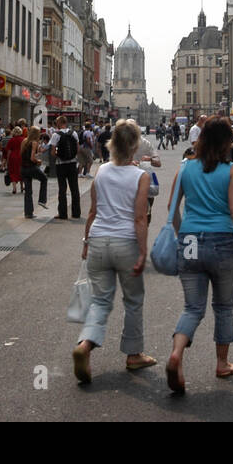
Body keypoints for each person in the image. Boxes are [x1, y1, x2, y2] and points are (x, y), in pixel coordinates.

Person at [165, 117, 233, 394]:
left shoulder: (185, 169)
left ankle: (177, 353)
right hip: (222, 240)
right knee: (223, 306)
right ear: (226, 143)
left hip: (190, 239)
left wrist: (183, 235)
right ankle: (222, 363)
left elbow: (172, 207)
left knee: (192, 307)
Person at [72, 121, 156, 383]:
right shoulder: (140, 175)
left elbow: (93, 212)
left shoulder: (101, 171)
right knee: (133, 300)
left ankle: (85, 345)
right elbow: (140, 218)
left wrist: (86, 243)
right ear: (134, 146)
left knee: (99, 300)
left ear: (111, 144)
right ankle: (133, 355)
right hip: (125, 243)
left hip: (97, 240)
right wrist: (142, 252)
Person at [50, 117, 82, 220]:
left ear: (59, 123)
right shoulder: (74, 133)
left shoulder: (56, 135)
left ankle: (63, 214)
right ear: (66, 123)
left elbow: (52, 152)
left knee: (62, 189)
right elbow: (78, 149)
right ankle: (76, 213)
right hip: (72, 164)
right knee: (74, 188)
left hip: (61, 165)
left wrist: (59, 156)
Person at [21, 127, 49, 218]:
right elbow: (32, 158)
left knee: (28, 191)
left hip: (23, 168)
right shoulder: (34, 142)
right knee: (44, 178)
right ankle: (42, 200)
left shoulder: (24, 141)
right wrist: (38, 161)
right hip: (31, 167)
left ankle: (28, 213)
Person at [5, 126, 24, 197]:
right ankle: (22, 187)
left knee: (13, 172)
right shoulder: (23, 139)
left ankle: (14, 188)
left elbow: (9, 151)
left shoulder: (11, 140)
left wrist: (7, 159)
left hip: (13, 157)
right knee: (21, 171)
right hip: (21, 157)